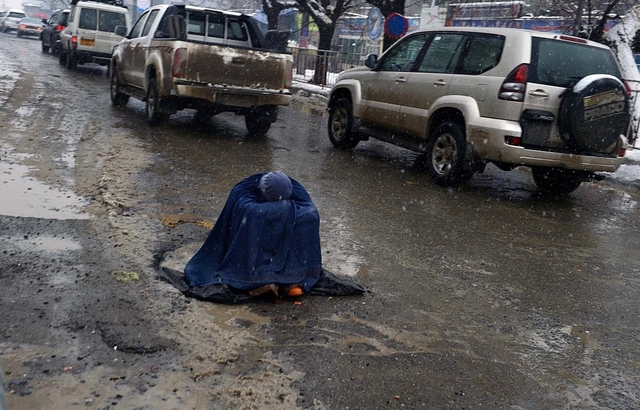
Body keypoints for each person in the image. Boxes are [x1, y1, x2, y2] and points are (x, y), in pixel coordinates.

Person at [184, 172, 324, 298]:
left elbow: (309, 212)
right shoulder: (244, 197)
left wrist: (283, 211)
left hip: (282, 243)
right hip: (256, 242)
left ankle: (290, 277)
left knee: (304, 218)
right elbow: (249, 213)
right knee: (260, 220)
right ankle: (264, 277)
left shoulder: (296, 193)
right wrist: (280, 211)